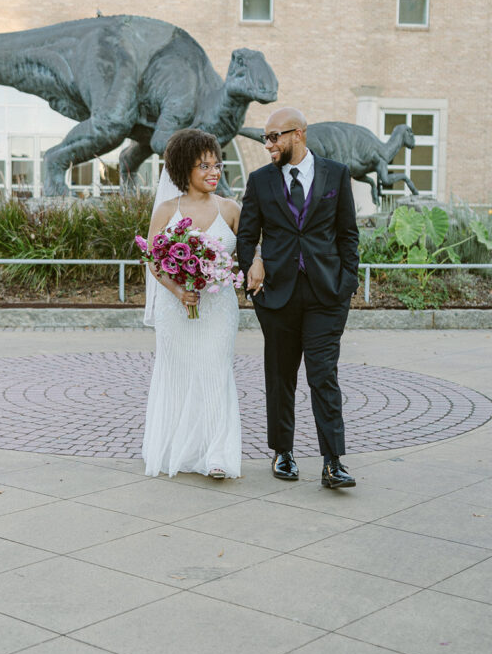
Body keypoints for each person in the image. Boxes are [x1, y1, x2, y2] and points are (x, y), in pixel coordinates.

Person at [237, 107, 360, 490]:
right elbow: (246, 235)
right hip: (277, 296)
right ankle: (283, 452)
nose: (269, 145)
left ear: (299, 134)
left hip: (327, 294)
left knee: (323, 375)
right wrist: (252, 265)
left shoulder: (336, 174)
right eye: (265, 138)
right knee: (280, 376)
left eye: (275, 137)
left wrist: (347, 284)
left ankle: (333, 462)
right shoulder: (260, 181)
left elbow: (348, 235)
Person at [142, 128, 242, 480]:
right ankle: (177, 450)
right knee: (180, 373)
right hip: (176, 308)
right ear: (185, 169)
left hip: (219, 309)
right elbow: (153, 260)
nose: (214, 172)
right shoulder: (167, 210)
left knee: (215, 373)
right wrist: (176, 290)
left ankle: (217, 455)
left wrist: (227, 271)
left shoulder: (231, 209)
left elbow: (247, 255)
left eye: (217, 165)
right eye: (204, 166)